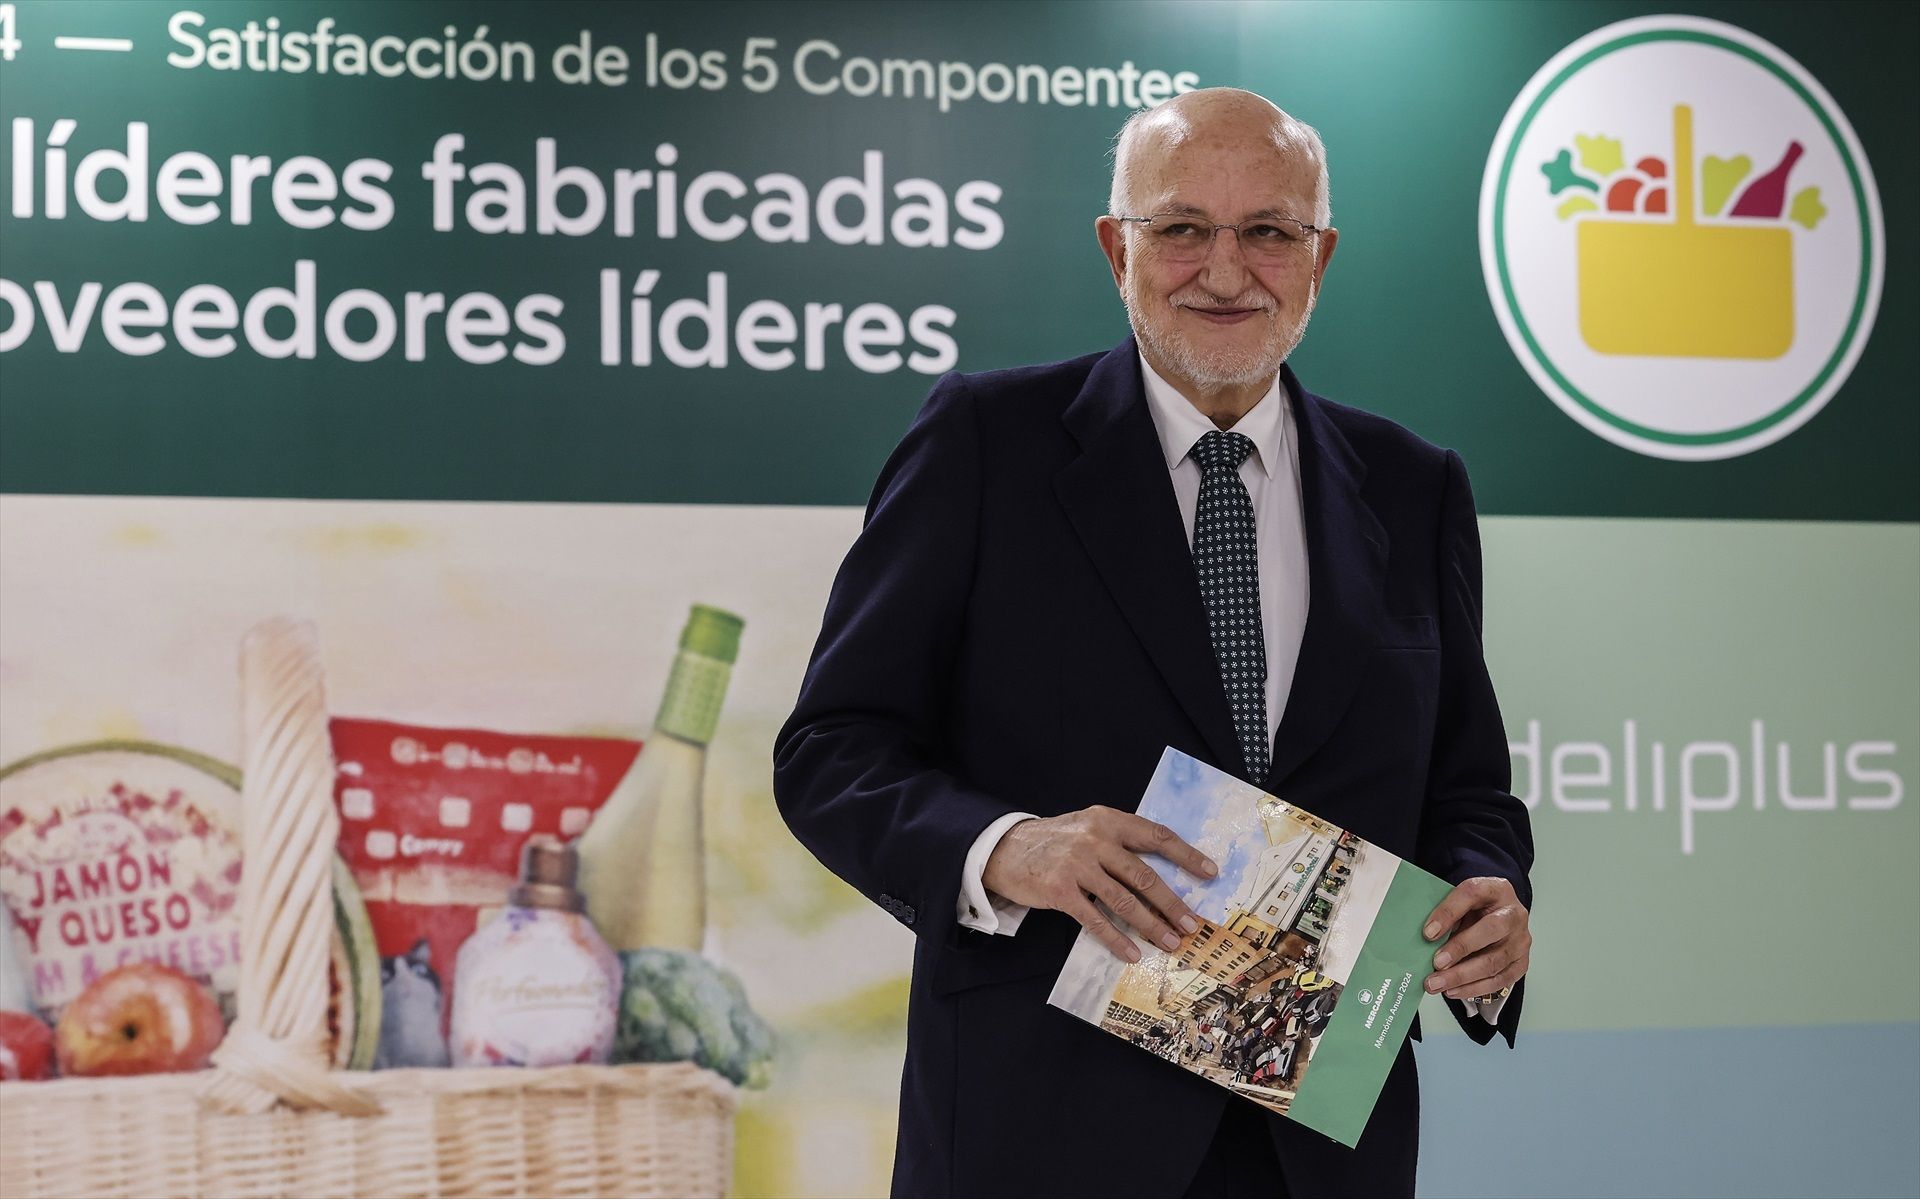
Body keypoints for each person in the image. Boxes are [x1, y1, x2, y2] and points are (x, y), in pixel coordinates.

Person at [774, 87, 1533, 1198]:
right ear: (1113, 248)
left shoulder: (1415, 487)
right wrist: (1008, 847)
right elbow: (832, 750)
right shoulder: (986, 443)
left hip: (1317, 1142)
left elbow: (1467, 791)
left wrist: (1488, 893)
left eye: (1268, 231)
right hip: (1039, 1133)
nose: (1225, 271)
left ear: (1318, 254)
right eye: (1181, 228)